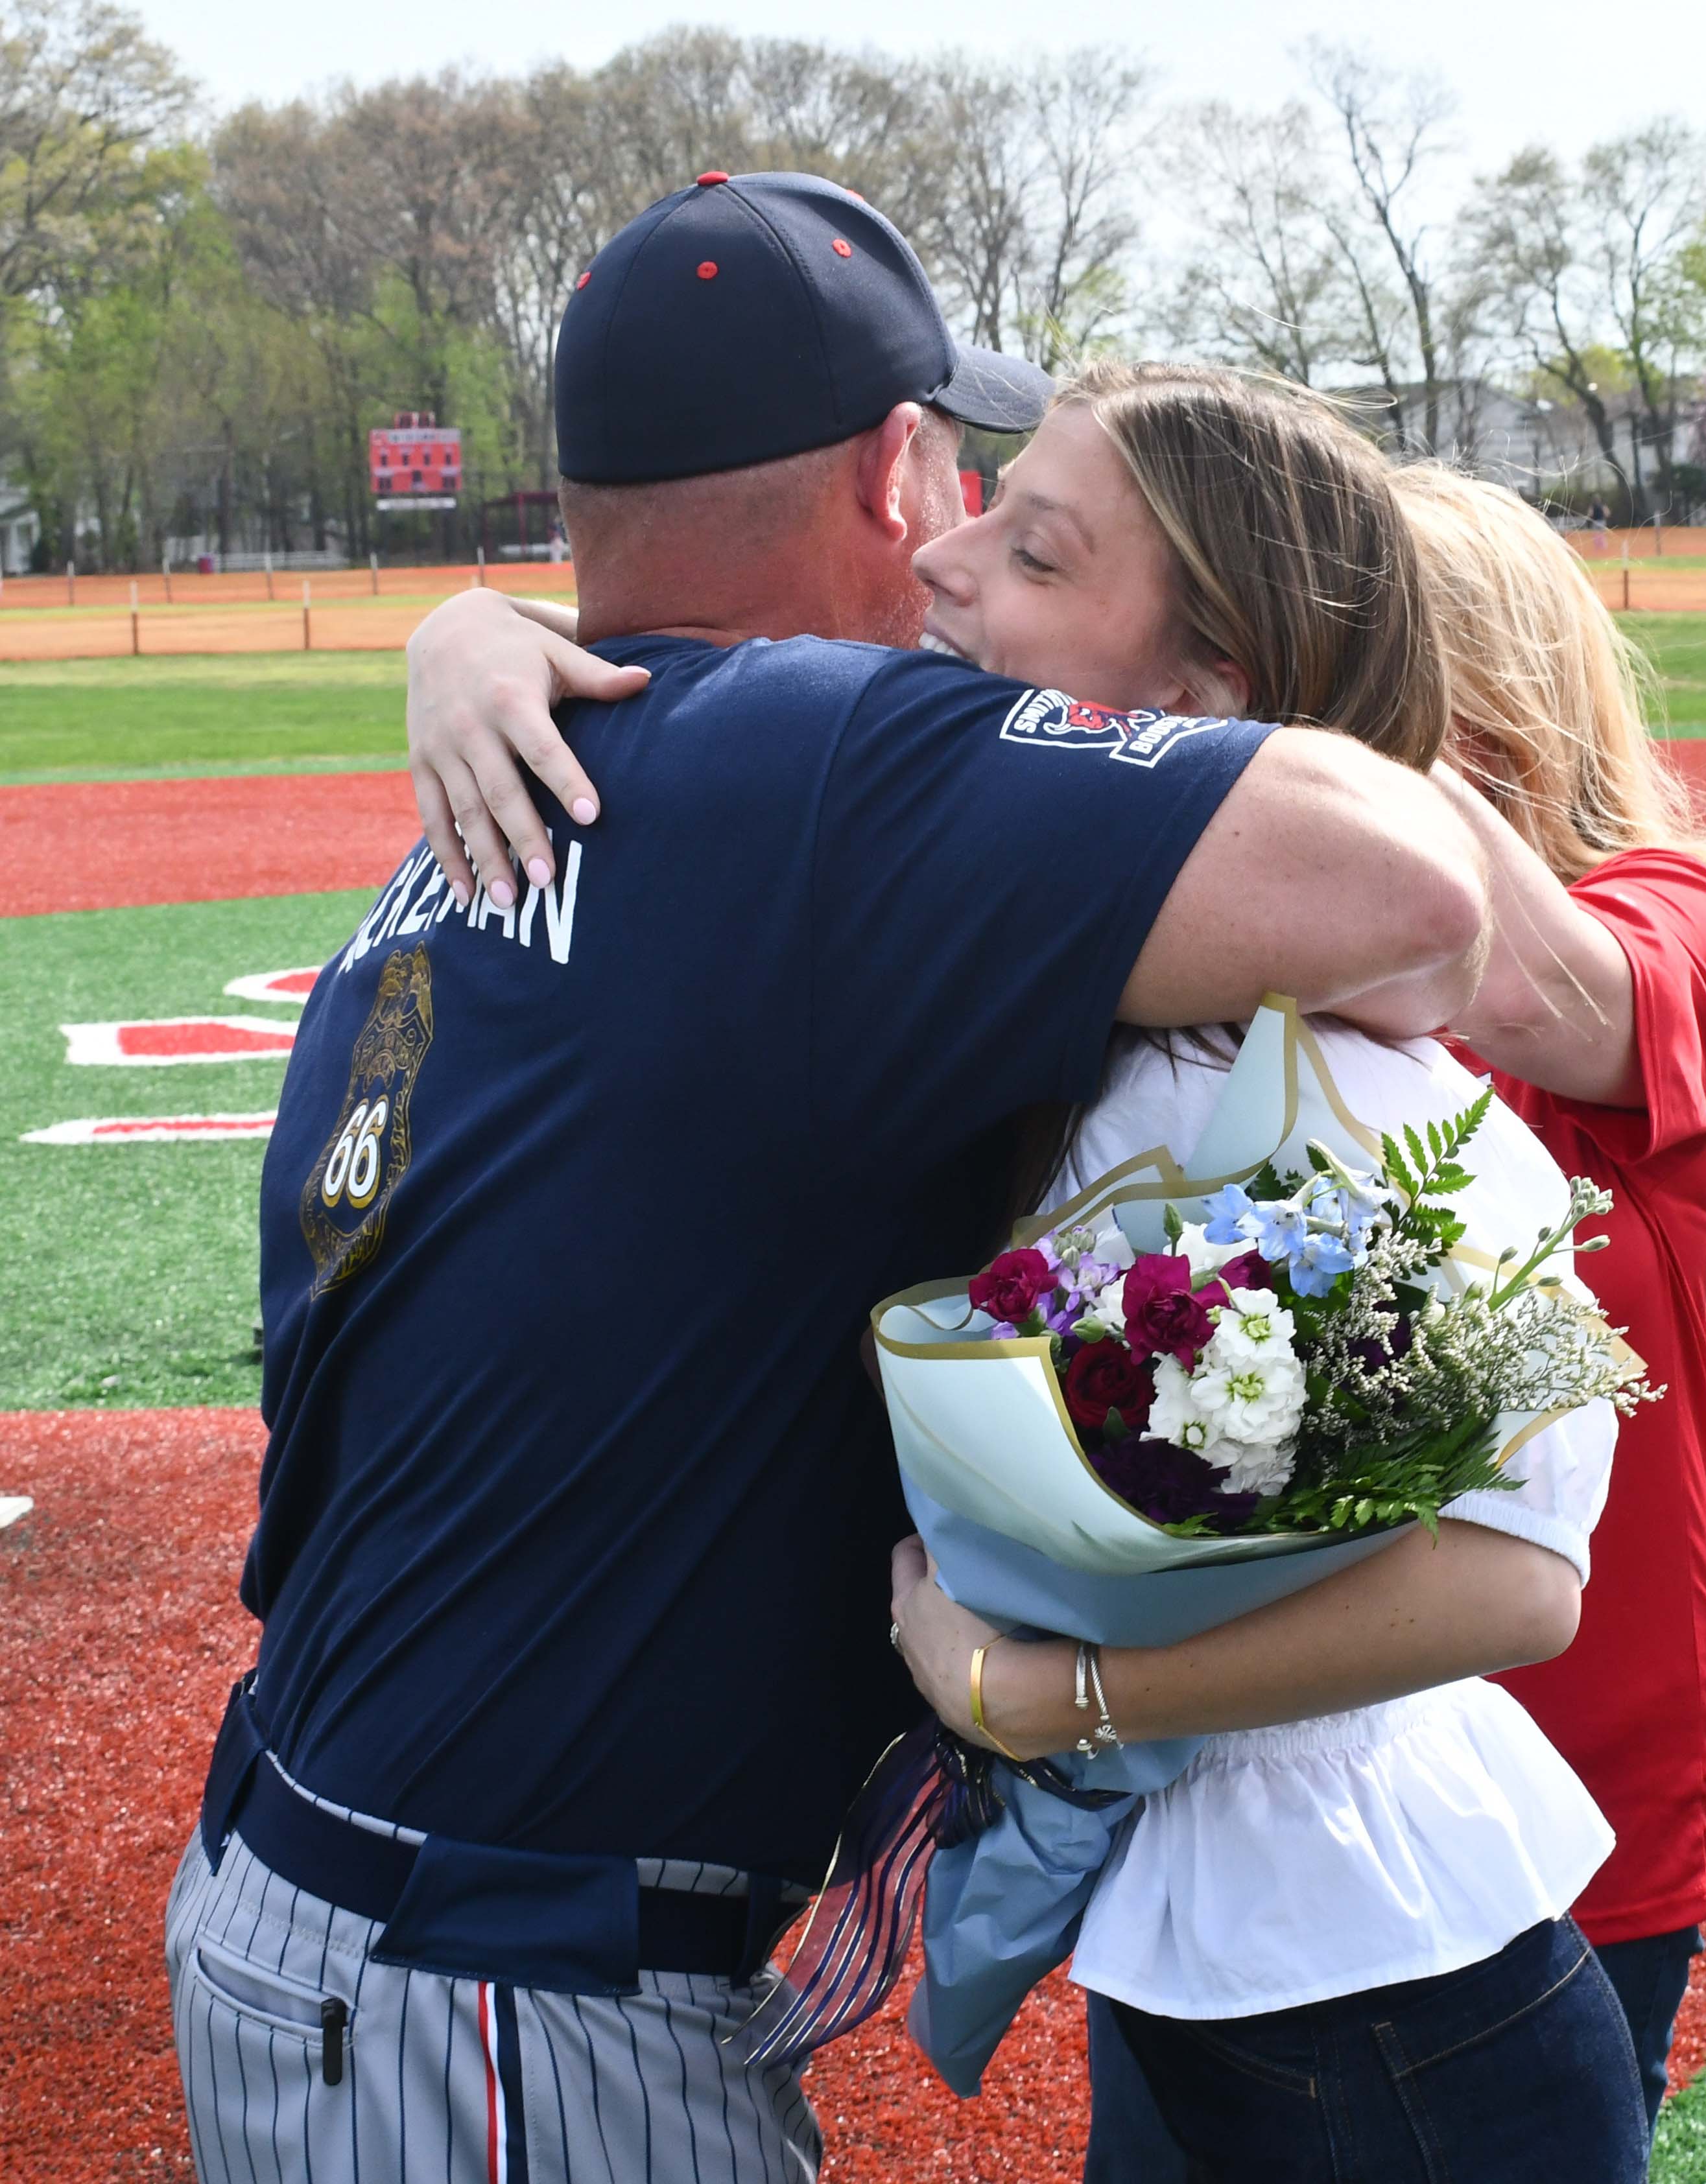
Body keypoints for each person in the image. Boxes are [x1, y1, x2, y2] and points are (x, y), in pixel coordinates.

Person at [169, 174, 1495, 2183]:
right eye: (970, 485)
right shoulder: (806, 758)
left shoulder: (523, 789)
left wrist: (468, 621)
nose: (963, 543)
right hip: (504, 2008)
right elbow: (1410, 895)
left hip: (334, 1897)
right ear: (896, 470)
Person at [405, 364, 1651, 2182]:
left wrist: (1048, 1699)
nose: (943, 562)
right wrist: (467, 629)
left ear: (1207, 696)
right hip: (1222, 1991)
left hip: (1395, 2012)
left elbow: (1522, 1578)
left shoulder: (1356, 1100)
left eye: (1036, 557)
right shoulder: (1083, 1029)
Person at [1393, 465, 1706, 2127]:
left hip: (1590, 1749)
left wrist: (1331, 760)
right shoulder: (1249, 930)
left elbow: (1547, 992)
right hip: (1278, 1761)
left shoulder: (1671, 910)